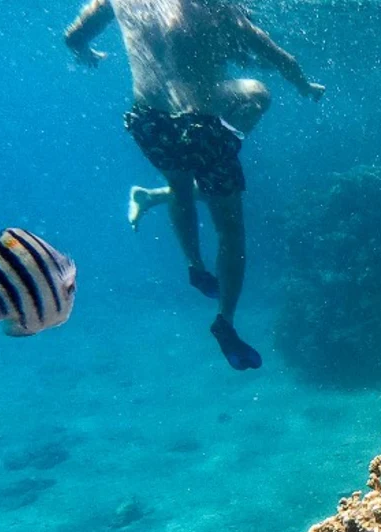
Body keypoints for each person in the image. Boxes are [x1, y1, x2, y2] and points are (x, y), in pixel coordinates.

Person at [63, 0, 325, 370]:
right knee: (230, 228)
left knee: (181, 188)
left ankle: (195, 265)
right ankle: (226, 322)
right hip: (200, 123)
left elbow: (73, 37)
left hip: (147, 121)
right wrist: (306, 86)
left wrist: (87, 53)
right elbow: (280, 57)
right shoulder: (219, 6)